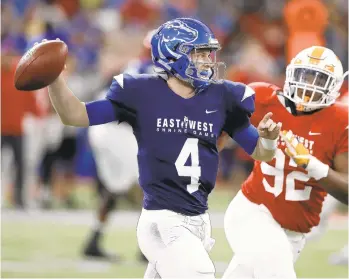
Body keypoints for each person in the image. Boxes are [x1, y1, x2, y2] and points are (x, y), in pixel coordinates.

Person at [45, 18, 281, 278]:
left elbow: (261, 152)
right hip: (162, 219)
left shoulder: (223, 97)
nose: (207, 60)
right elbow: (76, 115)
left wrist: (268, 139)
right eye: (198, 53)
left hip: (199, 219)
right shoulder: (142, 92)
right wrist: (54, 79)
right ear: (173, 54)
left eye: (208, 53)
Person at [222, 46, 348, 279]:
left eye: (318, 79)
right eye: (304, 75)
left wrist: (311, 164)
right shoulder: (262, 98)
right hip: (253, 211)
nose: (308, 85)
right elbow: (218, 124)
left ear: (335, 85)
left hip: (294, 233)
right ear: (290, 73)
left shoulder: (341, 120)